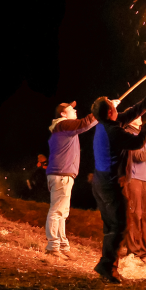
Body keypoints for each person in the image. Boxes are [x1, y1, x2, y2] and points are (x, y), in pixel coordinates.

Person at [88, 90, 146, 283]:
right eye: (112, 105)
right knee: (119, 225)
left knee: (112, 226)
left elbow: (131, 113)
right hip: (108, 185)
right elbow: (136, 143)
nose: (116, 107)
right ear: (110, 112)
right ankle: (107, 266)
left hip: (100, 183)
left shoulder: (105, 125)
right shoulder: (114, 131)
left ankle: (108, 266)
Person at [44, 100, 98, 257]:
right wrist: (102, 110)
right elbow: (85, 124)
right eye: (71, 109)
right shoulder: (64, 124)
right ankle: (53, 246)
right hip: (61, 175)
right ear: (63, 114)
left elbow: (84, 124)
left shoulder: (64, 128)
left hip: (63, 174)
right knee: (57, 211)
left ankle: (62, 246)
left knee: (62, 212)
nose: (75, 111)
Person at [120, 110, 146, 264]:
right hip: (133, 179)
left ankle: (142, 253)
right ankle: (133, 253)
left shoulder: (143, 133)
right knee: (135, 215)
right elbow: (138, 156)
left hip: (145, 180)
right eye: (137, 115)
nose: (140, 117)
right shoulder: (128, 134)